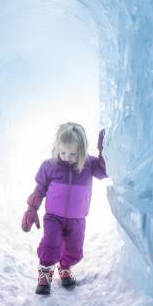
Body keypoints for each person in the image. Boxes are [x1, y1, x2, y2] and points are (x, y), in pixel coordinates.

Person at [21, 122, 108, 295]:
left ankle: (65, 268)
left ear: (82, 151)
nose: (67, 157)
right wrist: (32, 208)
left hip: (77, 218)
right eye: (63, 152)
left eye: (73, 154)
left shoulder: (89, 164)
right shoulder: (49, 165)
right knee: (50, 244)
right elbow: (40, 189)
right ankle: (45, 274)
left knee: (74, 249)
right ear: (56, 148)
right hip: (53, 216)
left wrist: (104, 151)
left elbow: (104, 172)